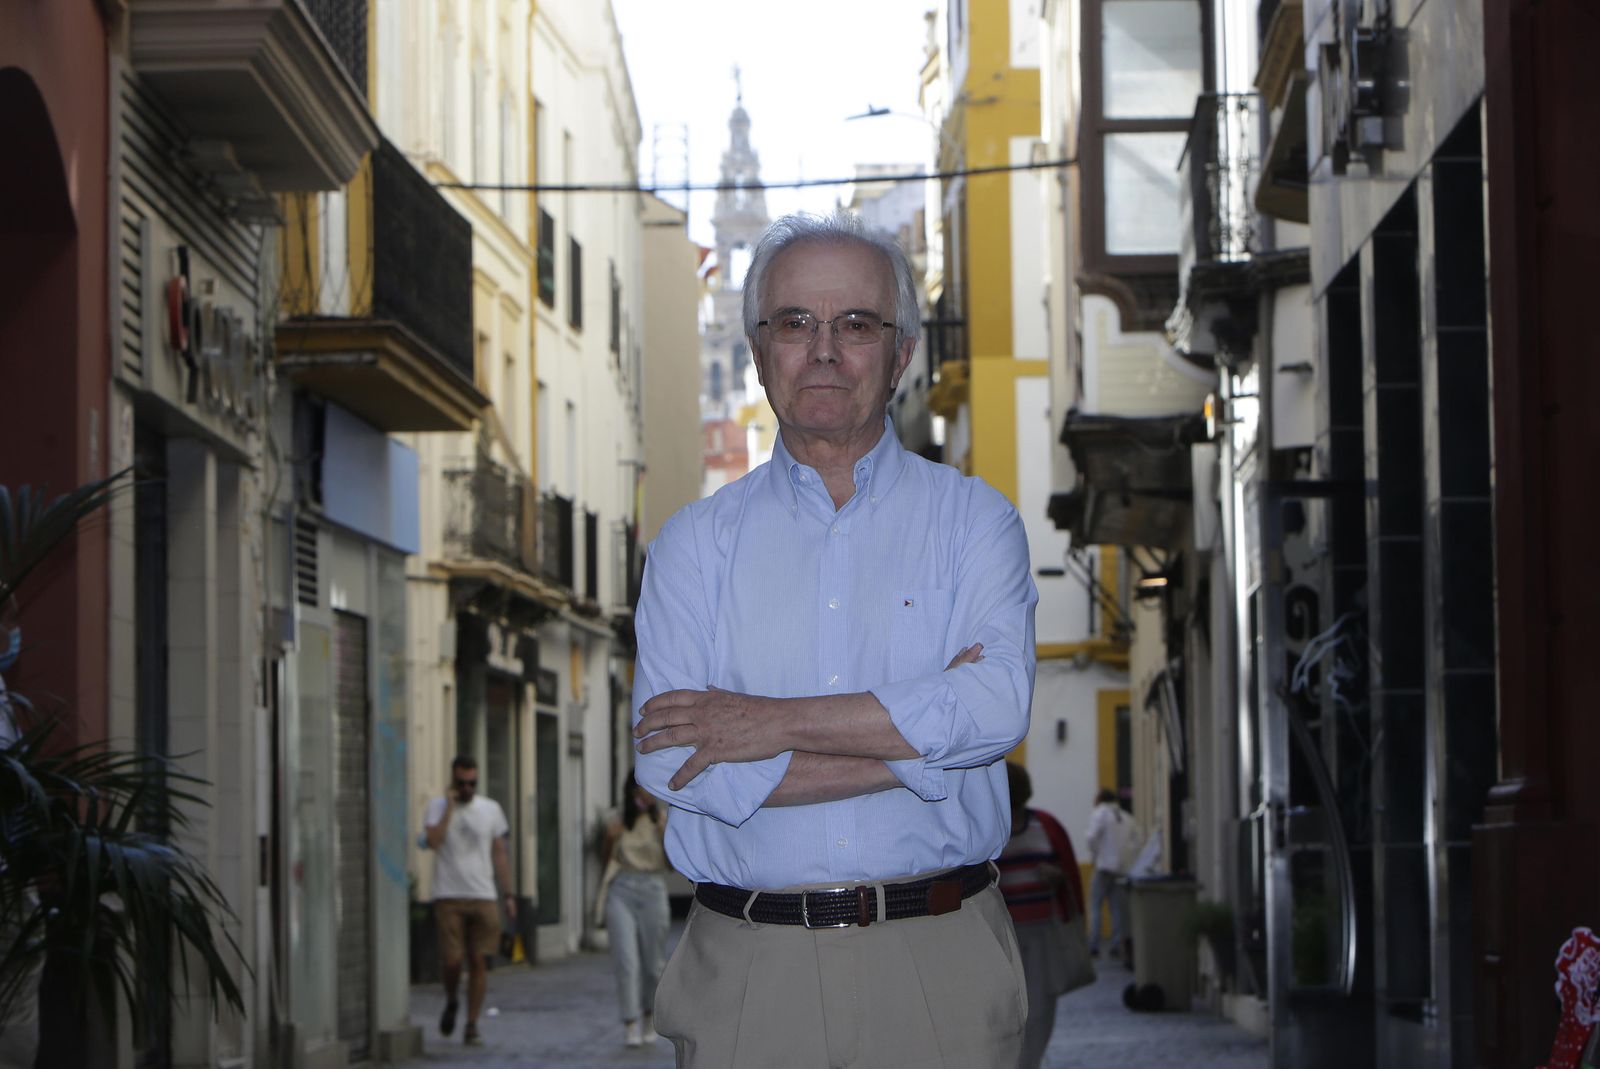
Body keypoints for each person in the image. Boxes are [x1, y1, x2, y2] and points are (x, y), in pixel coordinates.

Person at [632, 210, 1039, 1069]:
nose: (823, 349)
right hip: (747, 972)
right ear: (757, 349)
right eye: (794, 323)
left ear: (901, 354)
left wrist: (764, 722)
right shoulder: (691, 546)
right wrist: (925, 743)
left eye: (855, 324)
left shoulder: (975, 522)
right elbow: (671, 763)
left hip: (942, 966)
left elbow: (996, 707)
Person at [998, 762, 1087, 1069]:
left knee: (1039, 1009)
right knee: (1006, 1010)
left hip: (1042, 932)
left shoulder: (1045, 826)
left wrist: (1056, 876)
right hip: (1001, 936)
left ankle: (1028, 1063)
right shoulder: (988, 828)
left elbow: (1069, 876)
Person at [422, 755, 515, 1048]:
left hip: (483, 894)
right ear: (453, 780)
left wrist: (508, 894)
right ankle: (451, 999)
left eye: (472, 783)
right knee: (452, 961)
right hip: (448, 895)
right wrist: (448, 811)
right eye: (461, 783)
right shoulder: (436, 807)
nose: (466, 789)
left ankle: (472, 1024)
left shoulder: (490, 810)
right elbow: (433, 843)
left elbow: (499, 853)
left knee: (478, 961)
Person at [599, 771, 671, 1048]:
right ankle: (630, 1022)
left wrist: (666, 837)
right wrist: (609, 839)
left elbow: (671, 865)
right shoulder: (617, 819)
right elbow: (606, 860)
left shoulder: (660, 820)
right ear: (632, 790)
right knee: (626, 960)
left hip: (652, 888)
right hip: (622, 888)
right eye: (644, 788)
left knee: (653, 963)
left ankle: (648, 1015)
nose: (649, 794)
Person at [1085, 787, 1133, 962]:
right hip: (1121, 868)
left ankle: (1094, 945)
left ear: (1099, 799)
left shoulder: (1101, 813)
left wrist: (1095, 855)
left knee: (1095, 905)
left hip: (1104, 866)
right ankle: (1116, 944)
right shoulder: (1125, 816)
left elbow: (1091, 837)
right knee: (1116, 908)